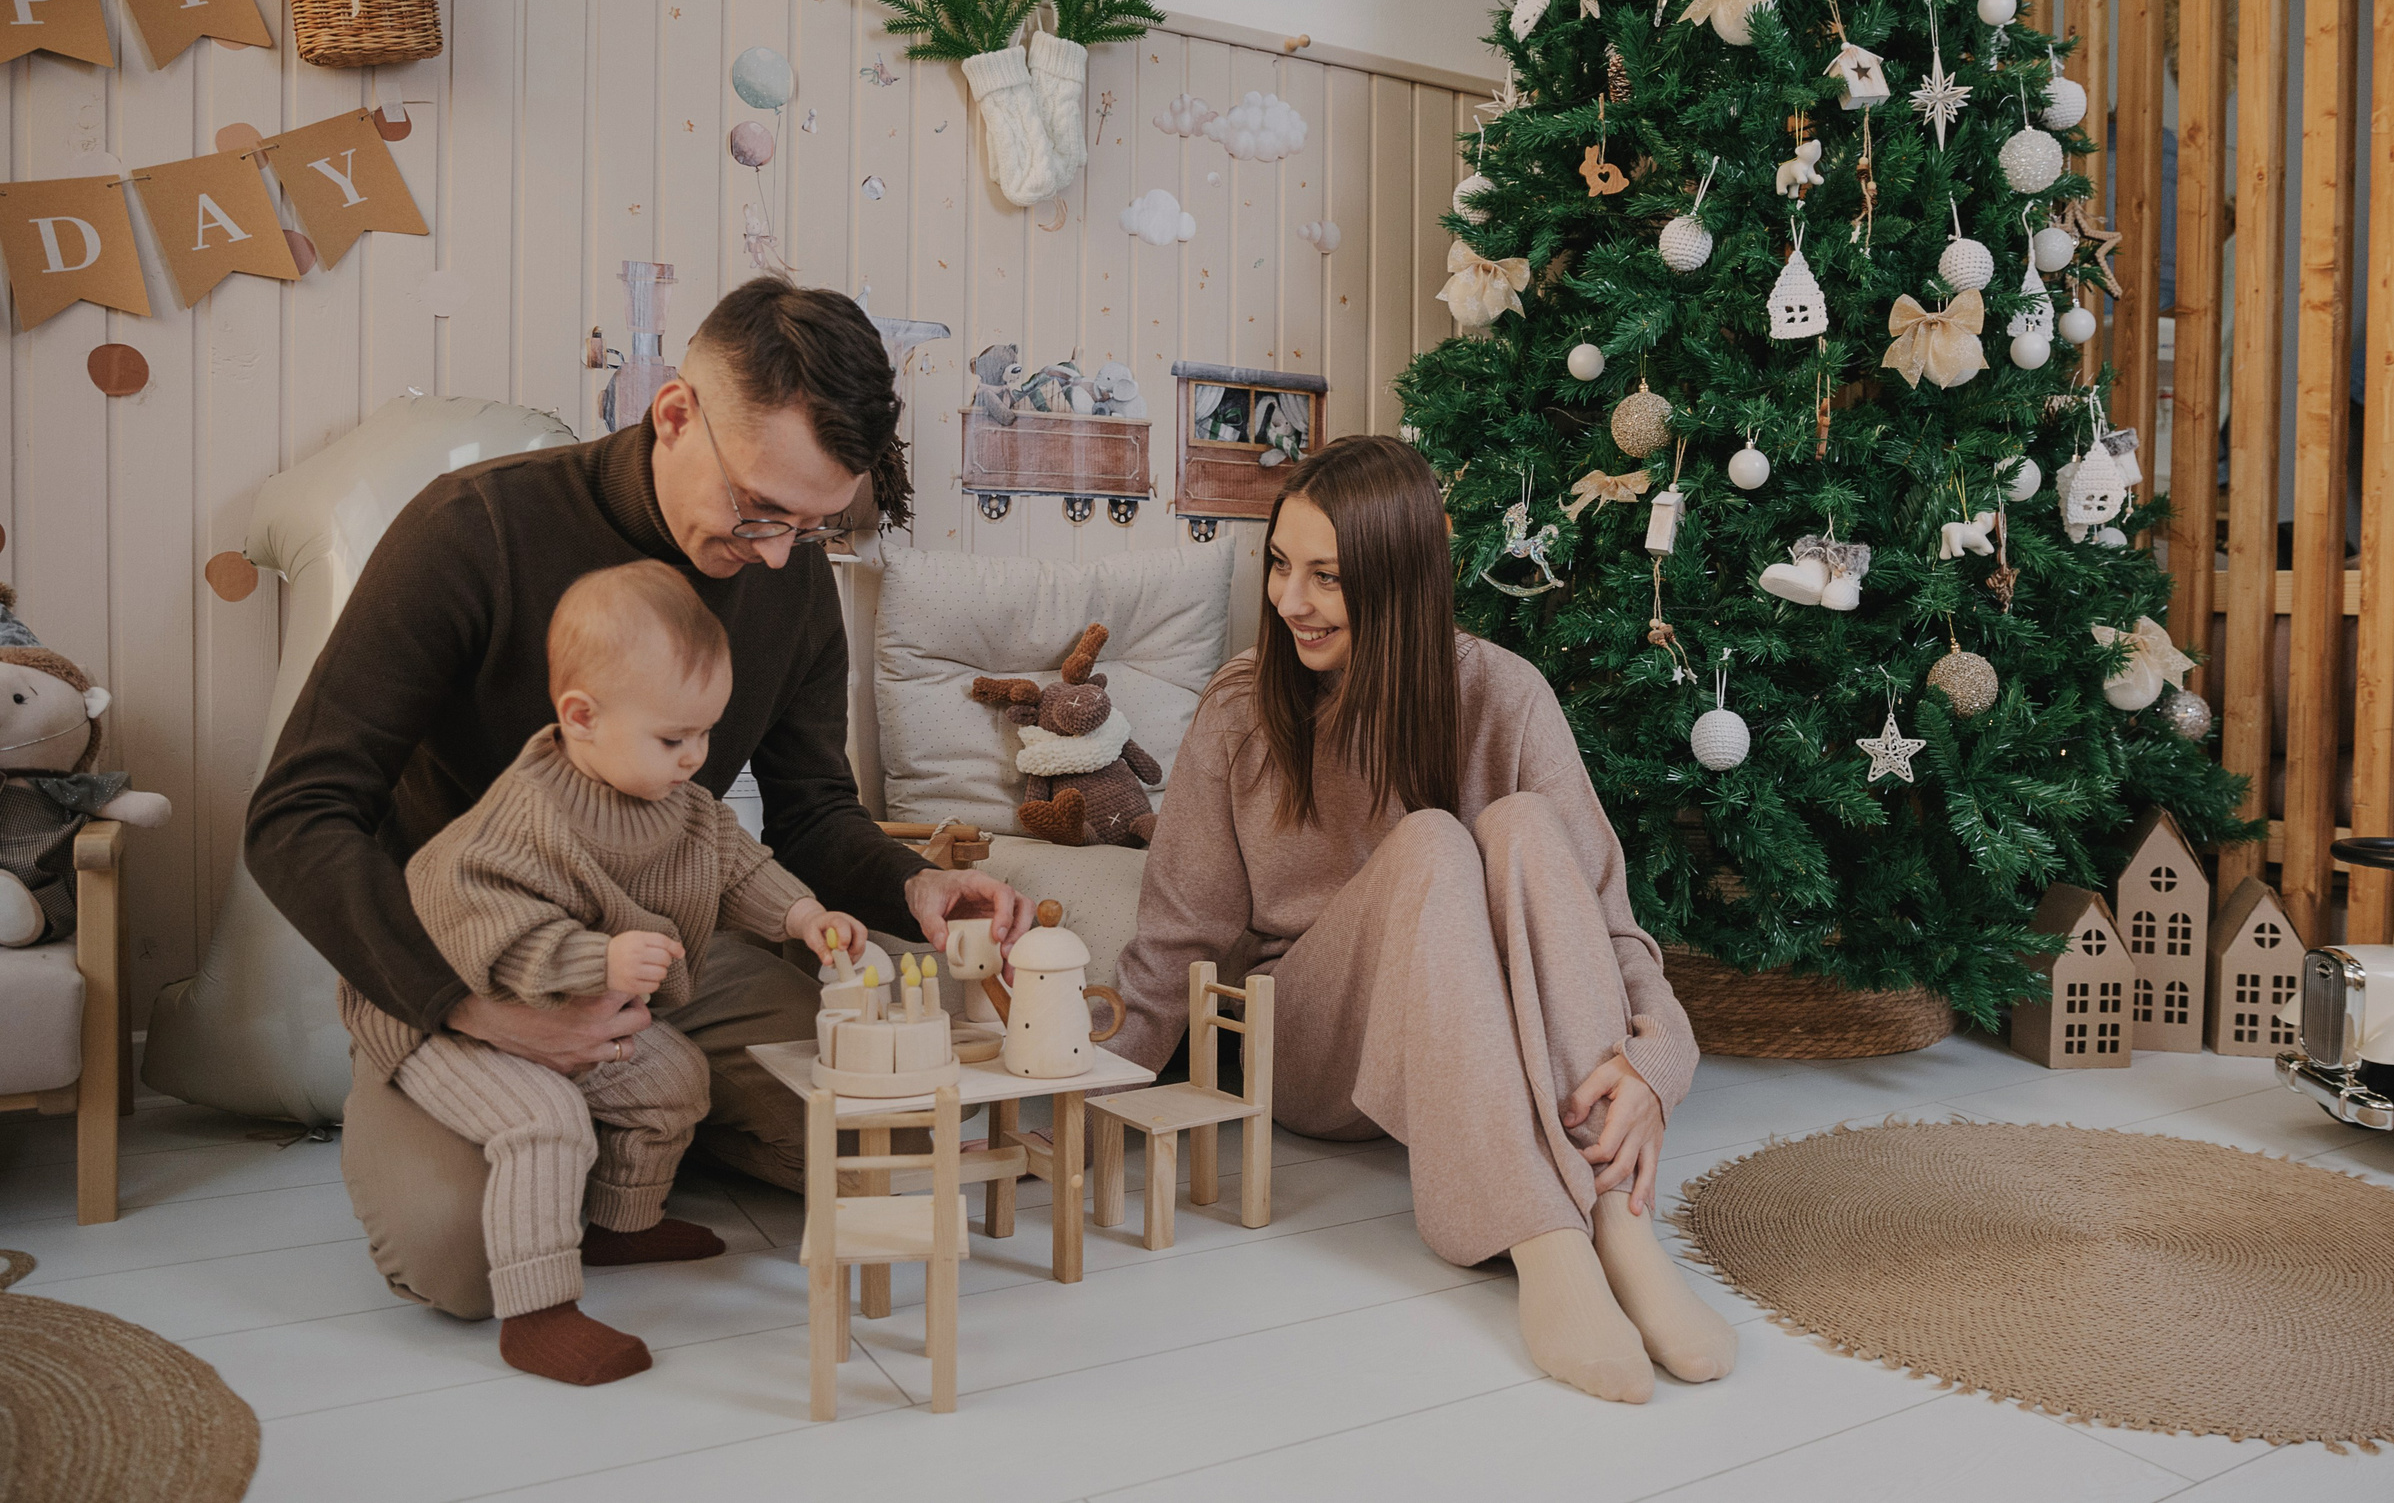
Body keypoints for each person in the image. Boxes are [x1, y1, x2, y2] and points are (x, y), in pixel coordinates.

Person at [247, 278, 1033, 1322]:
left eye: (811, 525)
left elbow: (811, 811)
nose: (774, 553)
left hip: (667, 962)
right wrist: (473, 1008)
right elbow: (297, 814)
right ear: (673, 414)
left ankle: (640, 1125)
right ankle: (586, 1119)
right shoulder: (473, 532)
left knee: (899, 1138)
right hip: (470, 962)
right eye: (758, 508)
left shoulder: (789, 579)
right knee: (461, 1260)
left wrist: (919, 889)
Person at [1115, 436, 1735, 1404]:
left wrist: (1658, 1065)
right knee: (1436, 845)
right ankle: (1543, 1244)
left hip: (1467, 1046)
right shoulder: (1239, 710)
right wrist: (1076, 1085)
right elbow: (1172, 947)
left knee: (1525, 826)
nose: (1289, 601)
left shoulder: (1503, 695)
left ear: (1398, 581)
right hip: (1315, 1044)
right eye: (1280, 565)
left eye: (1326, 576)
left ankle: (1619, 1220)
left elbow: (1611, 930)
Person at [355, 563, 875, 1385]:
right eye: (675, 739)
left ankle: (619, 1224)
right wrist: (597, 957)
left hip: (574, 1008)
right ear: (582, 718)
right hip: (451, 1016)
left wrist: (804, 916)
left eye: (706, 733)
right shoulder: (526, 814)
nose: (696, 756)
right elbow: (482, 925)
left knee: (674, 1075)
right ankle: (539, 1312)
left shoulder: (684, 804)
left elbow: (738, 867)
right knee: (548, 1118)